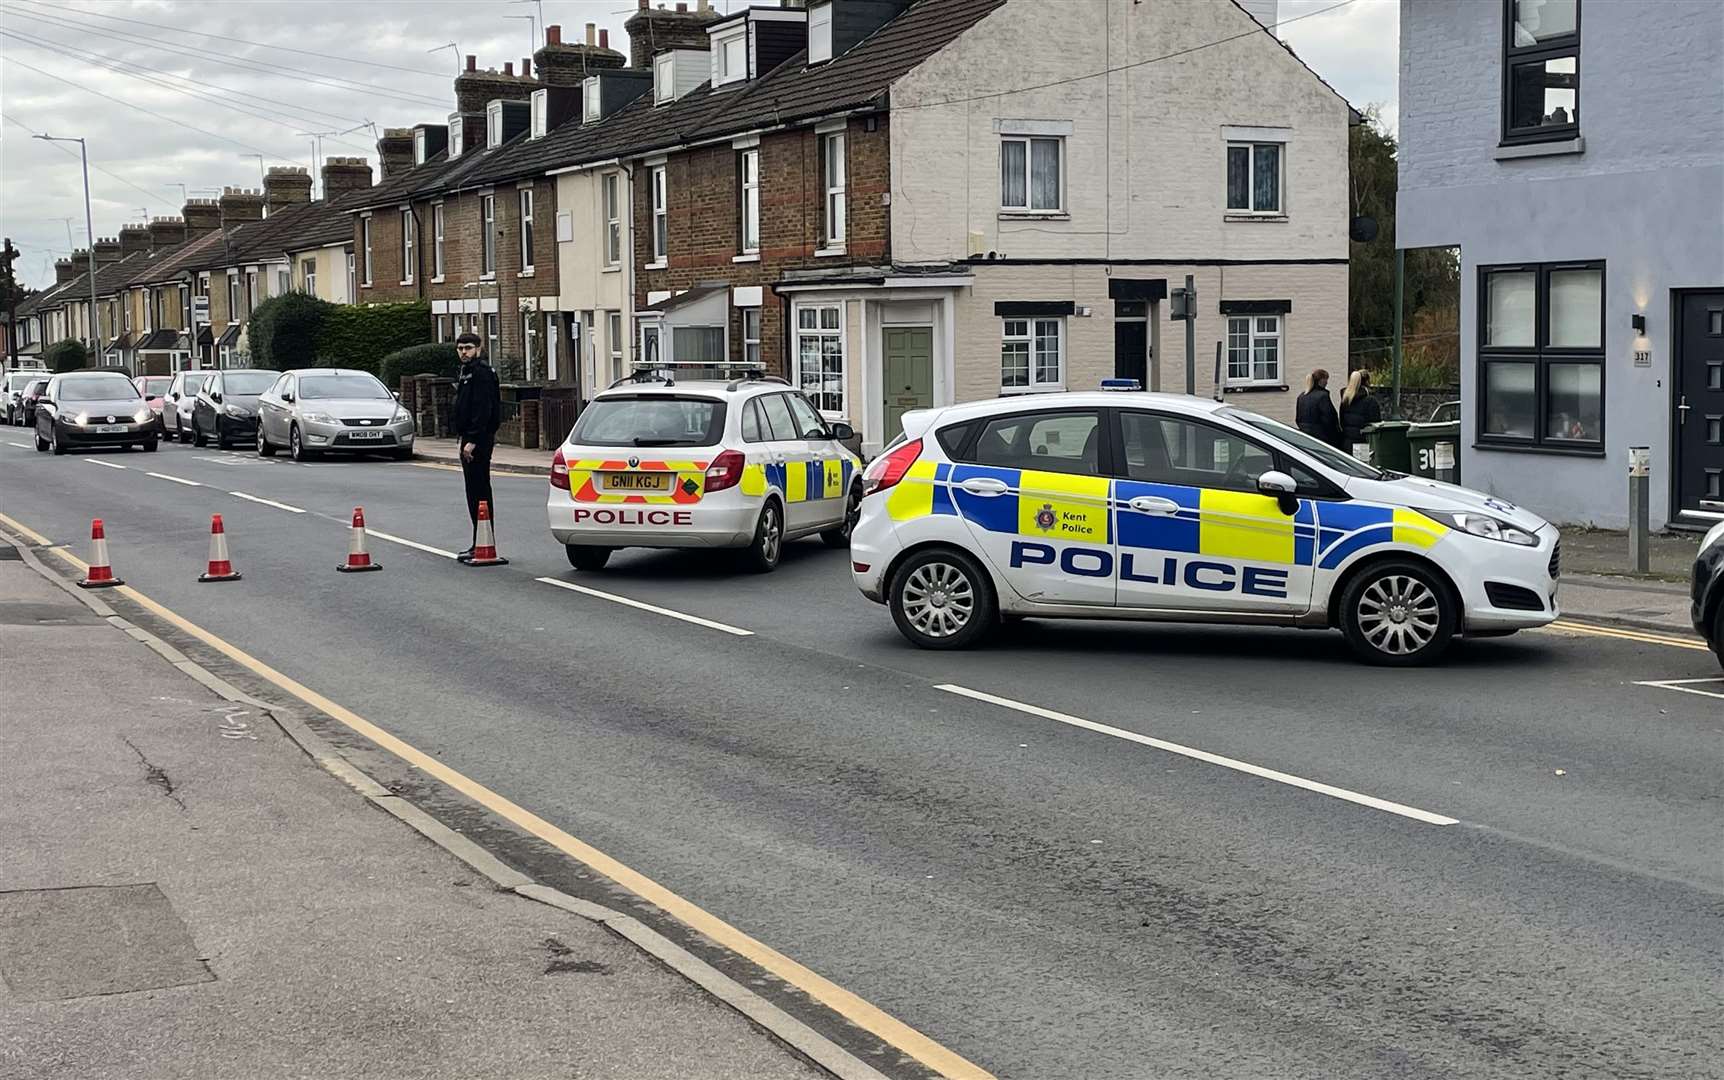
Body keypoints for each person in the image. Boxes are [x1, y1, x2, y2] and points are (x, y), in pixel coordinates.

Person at [451, 332, 500, 561]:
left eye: (468, 348)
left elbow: (483, 410)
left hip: (478, 440)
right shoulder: (467, 372)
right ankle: (478, 541)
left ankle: (483, 542)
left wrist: (472, 440)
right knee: (473, 492)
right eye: (460, 348)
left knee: (479, 491)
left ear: (478, 349)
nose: (464, 352)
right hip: (470, 438)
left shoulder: (481, 373)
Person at [1295, 368, 1344, 449]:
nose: (1327, 382)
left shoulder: (1301, 396)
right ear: (1321, 380)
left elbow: (1298, 419)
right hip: (1322, 438)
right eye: (1326, 379)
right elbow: (1329, 419)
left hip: (1305, 438)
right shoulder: (1323, 396)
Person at [1338, 369, 1382, 452]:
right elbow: (1375, 424)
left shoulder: (1345, 399)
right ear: (1367, 382)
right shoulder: (1370, 401)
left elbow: (1342, 421)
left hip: (1346, 443)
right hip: (1363, 444)